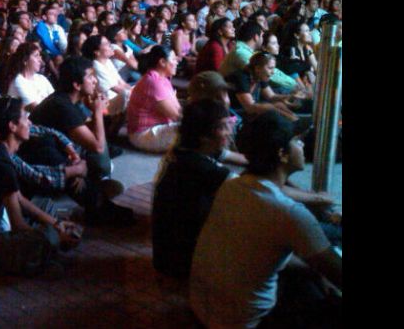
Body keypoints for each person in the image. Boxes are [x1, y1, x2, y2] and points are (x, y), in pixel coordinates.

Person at [190, 111, 342, 329]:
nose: (301, 146)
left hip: (204, 309)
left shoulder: (231, 187)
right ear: (282, 154)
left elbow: (260, 253)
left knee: (310, 280)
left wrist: (316, 270)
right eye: (297, 141)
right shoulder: (289, 212)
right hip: (243, 322)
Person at [0, 97, 82, 276]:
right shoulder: (0, 162)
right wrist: (55, 233)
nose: (29, 122)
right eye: (25, 118)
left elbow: (18, 198)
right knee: (47, 237)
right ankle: (36, 261)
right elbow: (18, 224)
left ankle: (41, 258)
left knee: (45, 207)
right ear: (12, 126)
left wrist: (57, 223)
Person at [152, 99, 234, 279]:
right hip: (184, 264)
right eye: (223, 127)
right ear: (204, 135)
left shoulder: (184, 153)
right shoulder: (203, 168)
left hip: (166, 258)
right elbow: (253, 189)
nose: (229, 133)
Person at [126, 46, 181, 153]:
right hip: (143, 135)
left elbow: (177, 109)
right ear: (162, 62)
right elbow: (176, 115)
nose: (177, 62)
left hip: (157, 128)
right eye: (174, 59)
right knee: (196, 130)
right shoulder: (154, 82)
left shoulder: (162, 78)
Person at [5, 42, 55, 111]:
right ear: (25, 60)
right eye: (36, 56)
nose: (40, 60)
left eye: (39, 56)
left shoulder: (42, 78)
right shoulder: (19, 82)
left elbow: (56, 100)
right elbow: (37, 110)